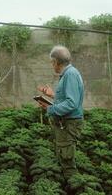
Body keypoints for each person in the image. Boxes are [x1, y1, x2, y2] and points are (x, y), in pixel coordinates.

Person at [37, 45, 84, 181]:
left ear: (56, 61)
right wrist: (52, 96)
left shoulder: (70, 74)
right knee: (63, 157)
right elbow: (68, 99)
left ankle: (75, 186)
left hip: (69, 124)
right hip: (66, 123)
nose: (52, 65)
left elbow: (71, 103)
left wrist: (50, 108)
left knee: (67, 161)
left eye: (52, 62)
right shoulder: (70, 73)